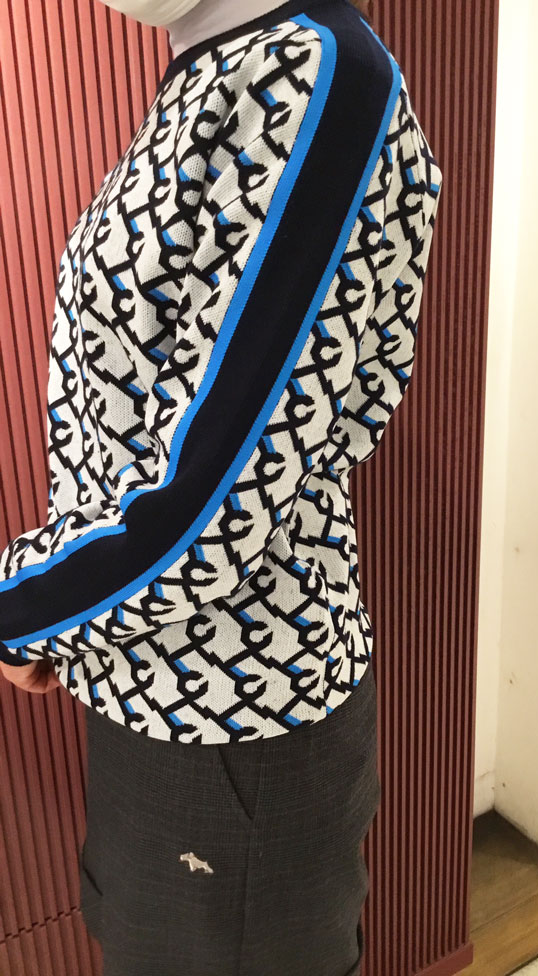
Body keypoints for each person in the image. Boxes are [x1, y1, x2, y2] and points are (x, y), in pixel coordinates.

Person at [0, 0, 442, 972]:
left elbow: (210, 501)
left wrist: (28, 608)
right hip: (147, 682)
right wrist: (68, 619)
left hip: (237, 714)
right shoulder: (213, 65)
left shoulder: (314, 74)